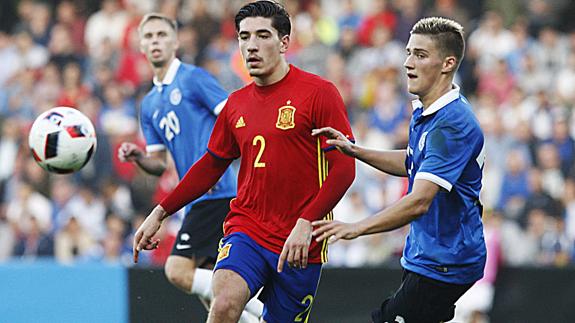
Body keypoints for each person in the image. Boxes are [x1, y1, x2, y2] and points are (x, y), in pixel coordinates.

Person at [132, 2, 355, 322]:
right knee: (223, 303)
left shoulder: (319, 93)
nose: (251, 45)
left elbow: (345, 168)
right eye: (244, 36)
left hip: (300, 242)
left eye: (262, 35)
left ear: (284, 43)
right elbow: (211, 165)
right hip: (246, 229)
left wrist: (307, 221)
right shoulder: (236, 104)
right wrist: (160, 212)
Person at [312, 17, 486, 323]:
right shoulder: (427, 109)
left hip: (445, 263)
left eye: (420, 55)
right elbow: (412, 163)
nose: (407, 63)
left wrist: (357, 227)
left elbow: (420, 201)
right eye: (408, 52)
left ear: (448, 64)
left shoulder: (452, 124)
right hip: (427, 254)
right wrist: (356, 150)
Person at [118, 13, 263, 322]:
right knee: (210, 295)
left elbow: (233, 116)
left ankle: (267, 312)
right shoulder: (149, 105)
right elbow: (158, 164)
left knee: (178, 270)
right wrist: (139, 158)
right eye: (149, 36)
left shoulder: (192, 78)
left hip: (217, 191)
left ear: (175, 41)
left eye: (161, 35)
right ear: (140, 45)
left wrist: (217, 166)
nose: (155, 41)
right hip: (192, 199)